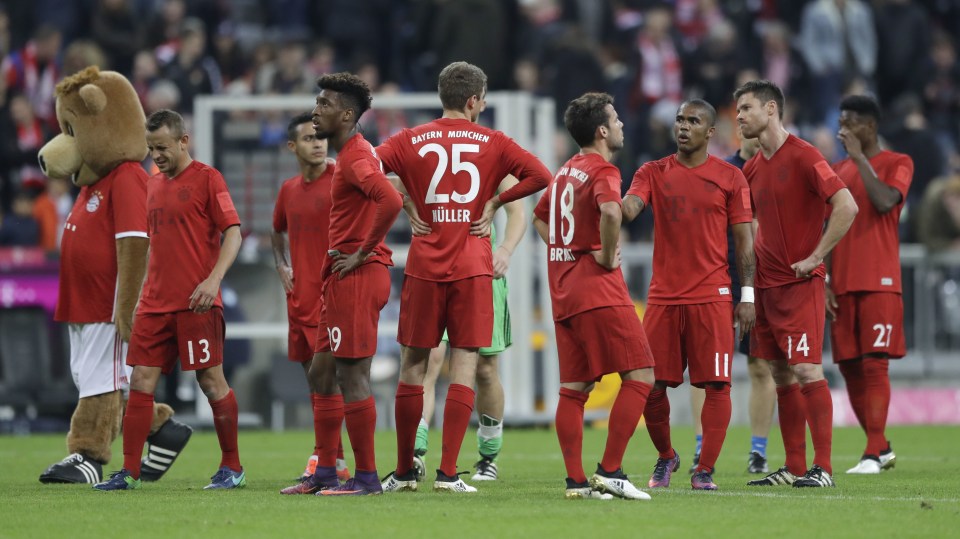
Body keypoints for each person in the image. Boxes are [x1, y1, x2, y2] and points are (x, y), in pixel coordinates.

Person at [375, 61, 551, 493]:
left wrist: (405, 204)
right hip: (473, 267)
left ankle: (402, 472)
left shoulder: (410, 139)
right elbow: (541, 176)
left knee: (414, 367)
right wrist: (495, 203)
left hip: (424, 265)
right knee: (466, 368)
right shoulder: (492, 142)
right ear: (473, 101)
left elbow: (362, 167)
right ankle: (449, 474)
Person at [94, 109, 245, 491]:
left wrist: (213, 280)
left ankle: (232, 467)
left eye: (161, 147)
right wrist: (137, 293)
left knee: (210, 382)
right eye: (150, 148)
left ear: (183, 141)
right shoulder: (152, 184)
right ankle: (128, 473)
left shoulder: (208, 179)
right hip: (154, 303)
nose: (155, 155)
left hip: (196, 301)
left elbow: (233, 233)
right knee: (140, 382)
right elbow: (151, 247)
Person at [622, 99, 755, 491]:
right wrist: (614, 204)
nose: (683, 126)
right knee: (650, 385)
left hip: (712, 296)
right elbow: (633, 205)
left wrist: (746, 295)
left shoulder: (730, 178)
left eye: (693, 121)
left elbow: (745, 244)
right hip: (664, 296)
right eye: (679, 120)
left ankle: (705, 470)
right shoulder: (653, 171)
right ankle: (667, 456)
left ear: (710, 131)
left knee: (716, 385)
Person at [735, 80, 858, 488]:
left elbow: (846, 205)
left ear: (771, 109)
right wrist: (749, 289)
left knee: (806, 370)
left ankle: (823, 467)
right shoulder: (752, 168)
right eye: (737, 111)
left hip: (799, 283)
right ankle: (795, 466)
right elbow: (750, 229)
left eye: (746, 109)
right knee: (781, 375)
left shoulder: (805, 156)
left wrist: (817, 256)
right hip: (767, 288)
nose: (738, 117)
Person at [534, 92, 656, 500]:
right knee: (640, 375)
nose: (621, 125)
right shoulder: (604, 169)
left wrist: (563, 250)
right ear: (602, 130)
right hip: (598, 290)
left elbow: (539, 216)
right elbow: (610, 212)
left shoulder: (566, 170)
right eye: (616, 119)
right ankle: (611, 470)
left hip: (563, 292)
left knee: (574, 389)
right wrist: (603, 254)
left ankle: (575, 483)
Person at [307, 72, 403, 496]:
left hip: (358, 274)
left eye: (325, 104)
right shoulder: (351, 152)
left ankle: (366, 478)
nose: (316, 110)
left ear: (347, 114)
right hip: (344, 274)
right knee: (321, 373)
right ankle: (326, 471)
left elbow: (392, 199)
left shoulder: (356, 156)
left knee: (352, 376)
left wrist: (363, 251)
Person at [412, 175, 526, 482]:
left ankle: (489, 454)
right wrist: (409, 208)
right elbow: (393, 183)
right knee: (429, 360)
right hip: (437, 271)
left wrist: (505, 249)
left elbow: (517, 210)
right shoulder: (432, 153)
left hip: (480, 274)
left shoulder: (491, 156)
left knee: (485, 369)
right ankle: (416, 451)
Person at [828, 94, 912, 474]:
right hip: (841, 282)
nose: (843, 128)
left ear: (870, 127)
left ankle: (873, 452)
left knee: (874, 364)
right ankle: (880, 447)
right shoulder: (835, 170)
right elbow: (826, 228)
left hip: (879, 279)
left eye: (850, 122)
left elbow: (884, 202)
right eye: (841, 121)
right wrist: (824, 279)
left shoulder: (898, 163)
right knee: (848, 366)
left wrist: (860, 158)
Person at [270, 113, 351, 492]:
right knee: (315, 386)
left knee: (331, 382)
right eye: (308, 139)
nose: (318, 144)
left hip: (332, 298)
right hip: (298, 300)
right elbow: (276, 230)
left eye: (321, 138)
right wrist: (281, 263)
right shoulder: (288, 190)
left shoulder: (342, 178)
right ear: (293, 147)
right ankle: (335, 461)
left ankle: (327, 461)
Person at [688, 132, 775, 475]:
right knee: (704, 368)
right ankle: (700, 445)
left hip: (762, 277)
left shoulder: (776, 170)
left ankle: (758, 450)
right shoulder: (723, 172)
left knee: (760, 366)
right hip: (721, 276)